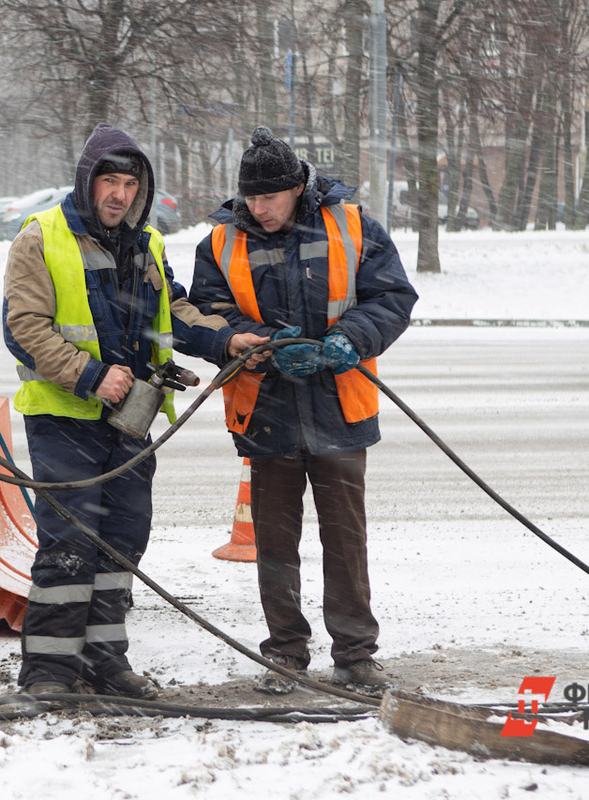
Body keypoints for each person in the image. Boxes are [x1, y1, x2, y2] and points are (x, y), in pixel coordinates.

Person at [3, 123, 267, 700]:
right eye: (110, 183)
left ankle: (104, 661)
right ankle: (49, 673)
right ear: (87, 182)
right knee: (69, 545)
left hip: (130, 423)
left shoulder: (146, 243)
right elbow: (24, 329)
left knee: (122, 542)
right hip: (64, 419)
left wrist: (225, 340)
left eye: (129, 185)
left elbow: (173, 309)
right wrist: (91, 375)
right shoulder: (41, 238)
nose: (119, 195)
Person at [189, 126, 418, 694]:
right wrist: (262, 344)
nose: (259, 208)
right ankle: (286, 653)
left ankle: (355, 655)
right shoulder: (220, 242)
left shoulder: (353, 226)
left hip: (340, 407)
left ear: (297, 187)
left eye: (270, 197)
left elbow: (392, 297)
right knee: (274, 544)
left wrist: (350, 339)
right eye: (251, 198)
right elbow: (209, 312)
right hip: (267, 411)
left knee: (345, 540)